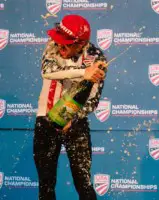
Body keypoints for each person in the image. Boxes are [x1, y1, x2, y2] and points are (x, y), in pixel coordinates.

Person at [33, 14, 107, 200]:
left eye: (65, 44)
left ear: (81, 44)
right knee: (46, 185)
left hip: (77, 123)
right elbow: (47, 72)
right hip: (46, 120)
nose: (60, 46)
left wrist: (73, 118)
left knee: (83, 184)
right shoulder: (52, 45)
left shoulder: (96, 57)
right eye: (58, 41)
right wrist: (84, 72)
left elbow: (92, 100)